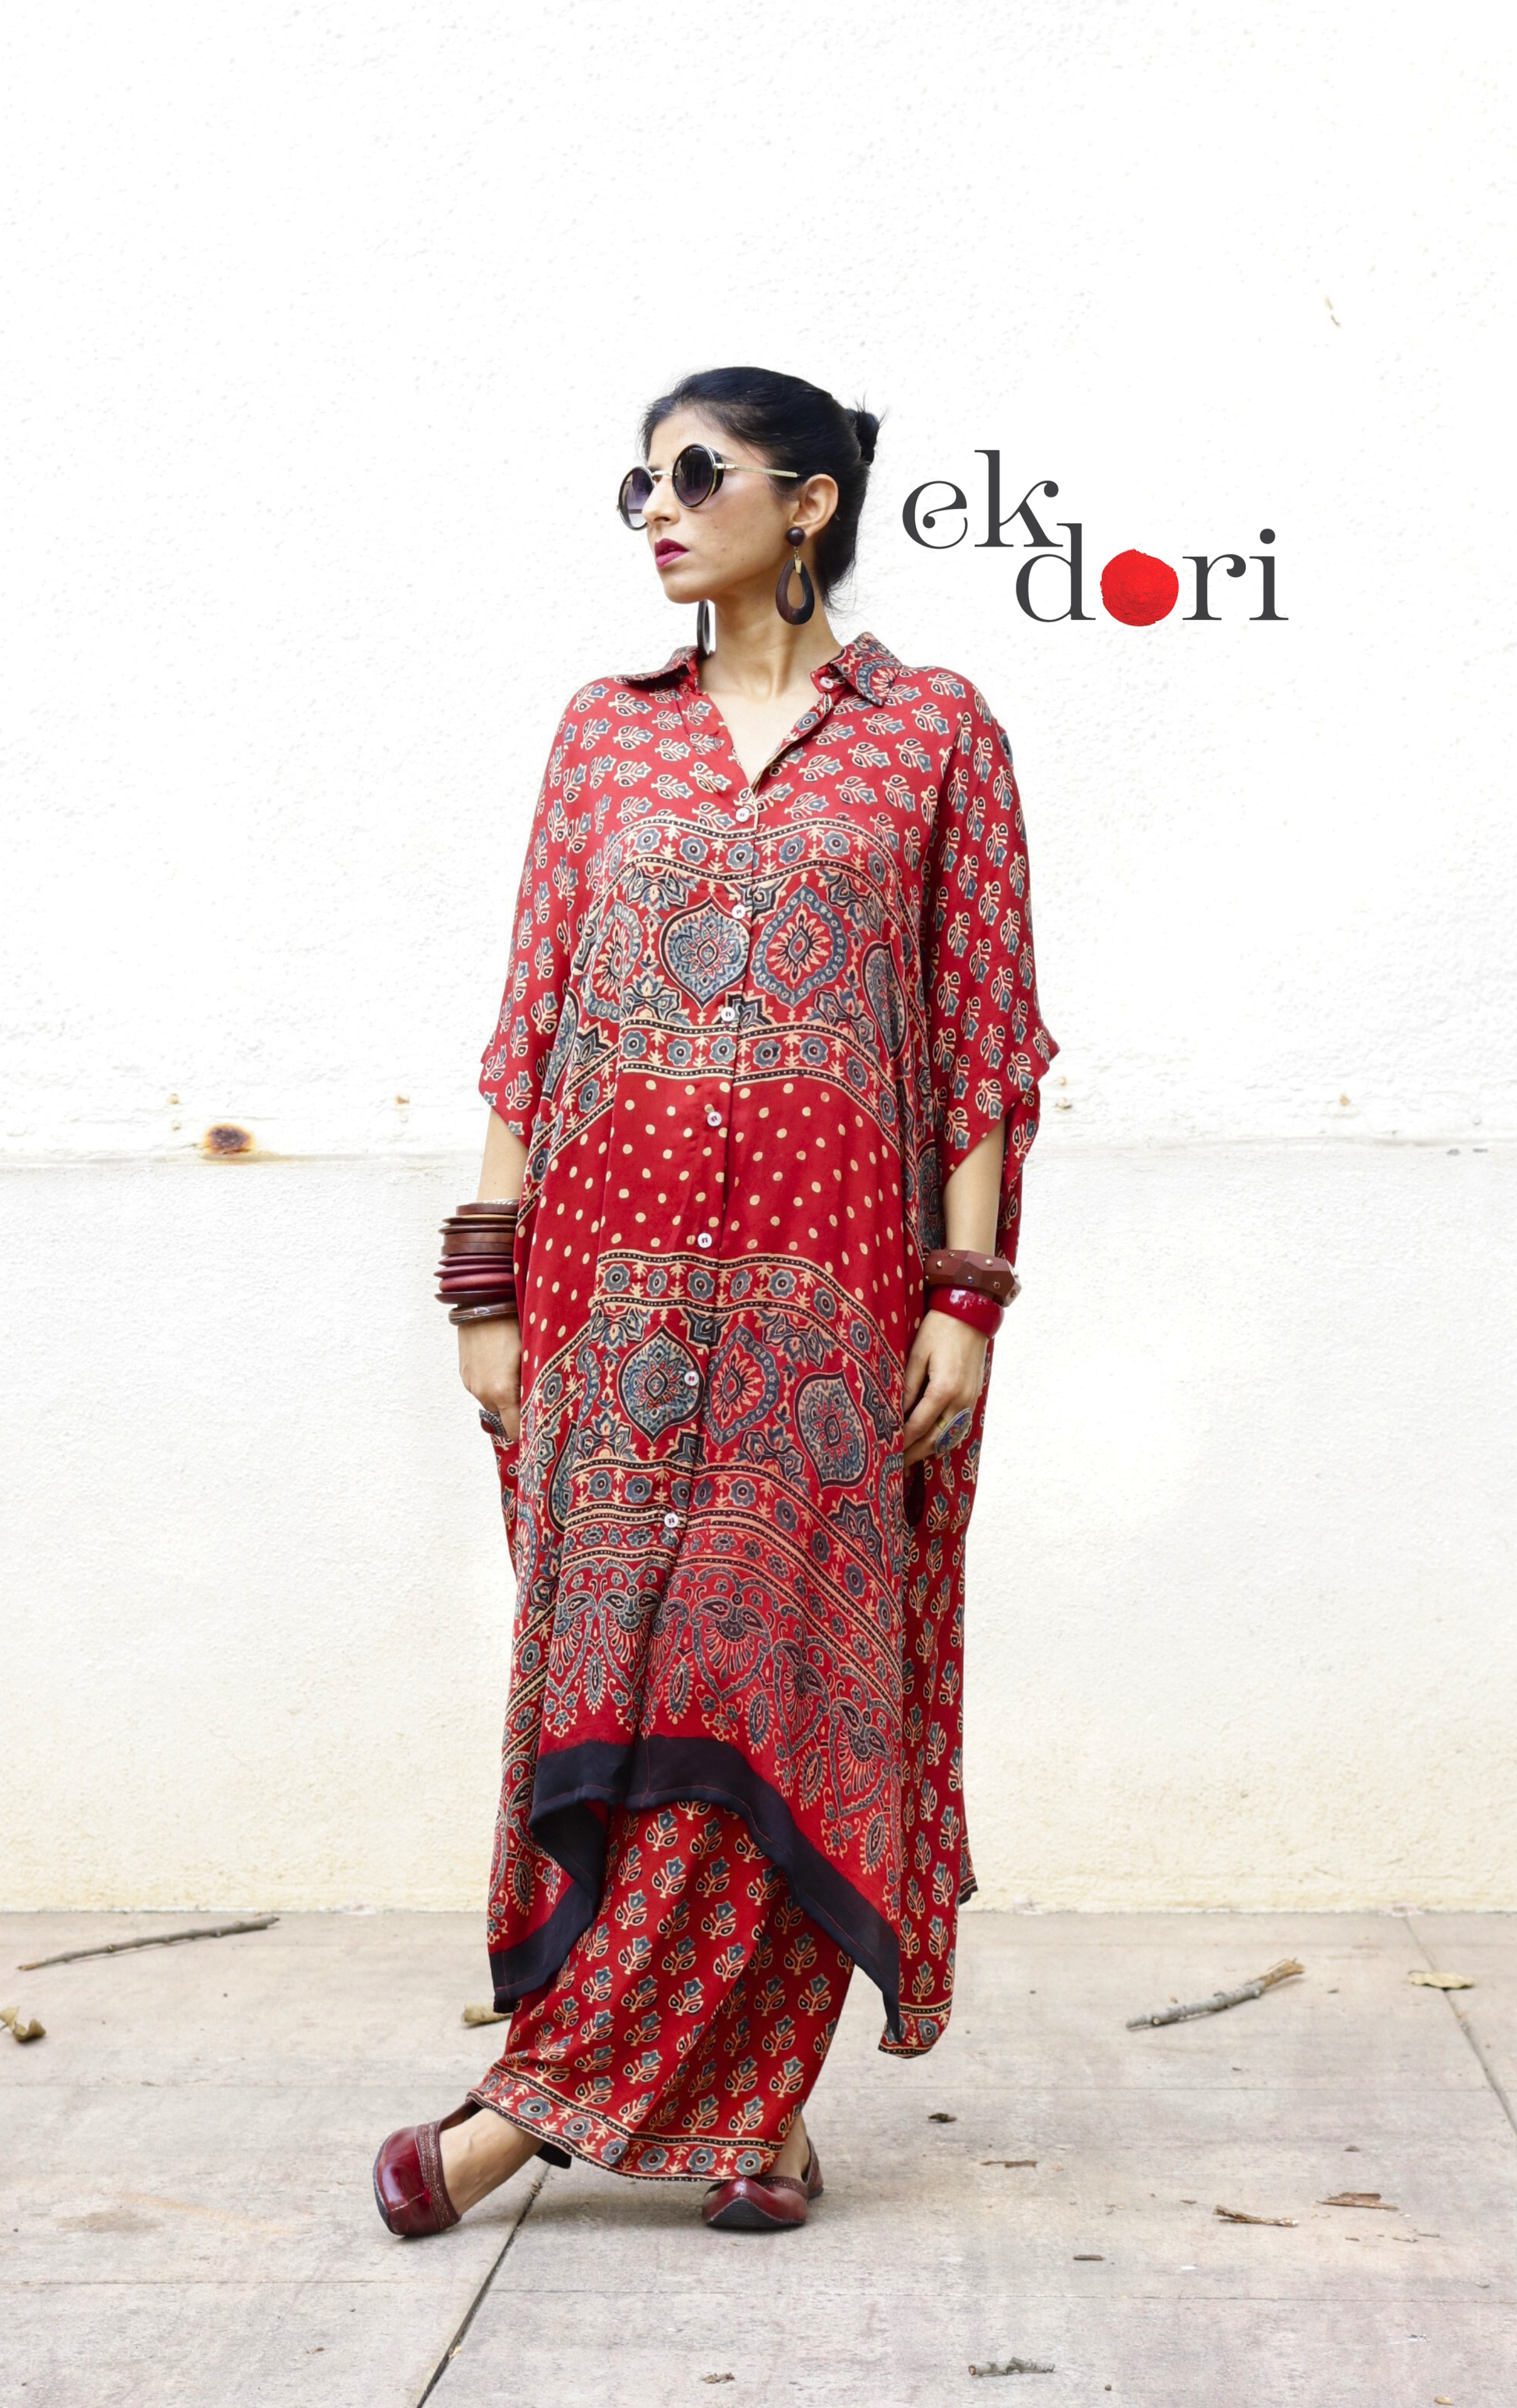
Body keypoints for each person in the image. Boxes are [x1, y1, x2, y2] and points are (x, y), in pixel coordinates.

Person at [373, 366, 1056, 2238]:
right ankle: (750, 2118)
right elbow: (532, 1019)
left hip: (834, 1301)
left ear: (810, 501)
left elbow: (985, 1034)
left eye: (697, 474)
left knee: (784, 1678)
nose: (658, 510)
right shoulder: (605, 735)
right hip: (605, 1292)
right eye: (640, 484)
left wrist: (966, 1294)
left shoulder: (932, 734)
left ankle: (525, 2113)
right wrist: (485, 1279)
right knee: (629, 1682)